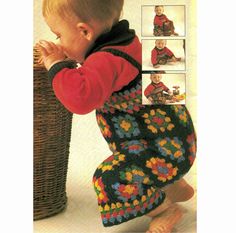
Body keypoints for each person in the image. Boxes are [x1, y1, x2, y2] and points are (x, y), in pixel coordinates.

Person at [37, 1, 196, 232]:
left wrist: (56, 66)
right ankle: (173, 184)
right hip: (177, 143)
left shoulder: (106, 60)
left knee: (108, 179)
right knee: (133, 155)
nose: (58, 42)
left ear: (85, 31)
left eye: (59, 34)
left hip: (161, 151)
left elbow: (80, 99)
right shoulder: (125, 41)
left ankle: (165, 209)